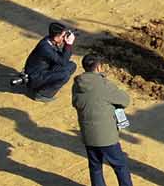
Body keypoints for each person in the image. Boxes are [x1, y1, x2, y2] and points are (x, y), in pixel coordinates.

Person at [72, 53, 134, 186]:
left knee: (95, 167)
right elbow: (125, 100)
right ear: (99, 67)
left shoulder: (77, 85)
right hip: (107, 137)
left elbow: (76, 103)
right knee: (120, 166)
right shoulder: (104, 85)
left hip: (88, 135)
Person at [16, 21, 77, 101]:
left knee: (71, 65)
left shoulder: (49, 40)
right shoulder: (45, 48)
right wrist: (68, 44)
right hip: (35, 77)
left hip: (43, 70)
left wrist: (65, 44)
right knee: (64, 75)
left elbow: (62, 60)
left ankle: (42, 87)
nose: (64, 37)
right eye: (63, 36)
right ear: (56, 37)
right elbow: (62, 62)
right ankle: (42, 94)